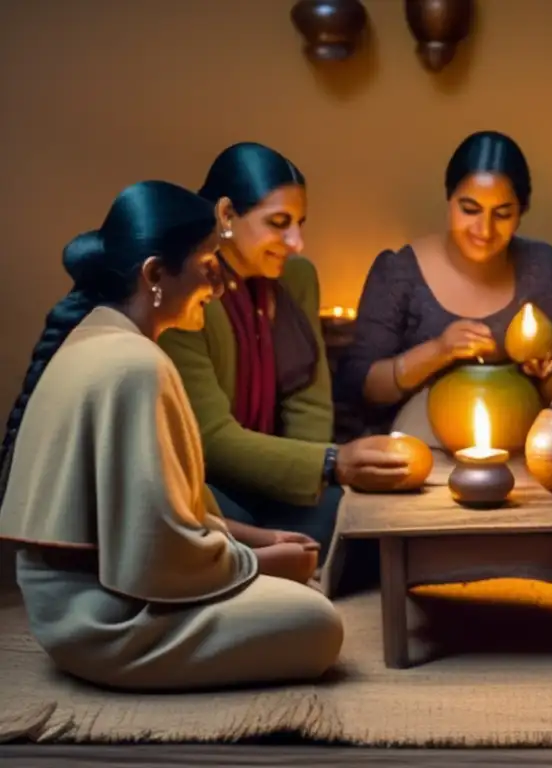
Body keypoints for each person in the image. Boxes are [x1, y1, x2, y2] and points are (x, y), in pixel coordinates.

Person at [0, 180, 344, 691]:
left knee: (301, 597)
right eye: (209, 266)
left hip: (83, 606)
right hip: (107, 619)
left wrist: (260, 538)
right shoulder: (136, 365)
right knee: (318, 623)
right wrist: (263, 564)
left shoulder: (101, 332)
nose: (221, 286)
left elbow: (166, 511)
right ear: (156, 274)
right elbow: (157, 556)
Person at [158, 143, 407, 575]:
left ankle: (270, 557)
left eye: (299, 224)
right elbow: (211, 438)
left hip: (283, 478)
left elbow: (308, 405)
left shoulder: (297, 277)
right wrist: (331, 462)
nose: (296, 242)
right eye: (279, 224)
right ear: (226, 216)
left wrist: (320, 474)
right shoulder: (188, 287)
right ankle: (254, 557)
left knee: (367, 520)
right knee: (207, 524)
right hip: (212, 483)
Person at [339, 130, 552, 438]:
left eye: (502, 214)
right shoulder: (400, 271)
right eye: (469, 209)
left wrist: (543, 375)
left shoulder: (540, 267)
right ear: (449, 199)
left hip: (520, 444)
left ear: (522, 211)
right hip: (416, 447)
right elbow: (360, 388)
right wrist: (439, 351)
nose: (485, 229)